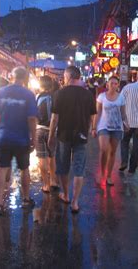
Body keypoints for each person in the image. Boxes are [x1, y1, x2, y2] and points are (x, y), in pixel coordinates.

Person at [48, 66, 96, 214]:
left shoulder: (60, 93)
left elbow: (55, 118)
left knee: (63, 166)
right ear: (79, 77)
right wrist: (91, 128)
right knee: (79, 169)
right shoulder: (88, 94)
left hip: (64, 135)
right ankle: (75, 202)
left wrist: (51, 136)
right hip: (81, 135)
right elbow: (93, 114)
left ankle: (67, 195)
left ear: (68, 76)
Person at [0, 67, 38, 215]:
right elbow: (31, 118)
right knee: (24, 169)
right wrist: (34, 138)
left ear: (12, 76)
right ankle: (25, 199)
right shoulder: (29, 95)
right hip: (21, 139)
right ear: (25, 79)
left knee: (2, 168)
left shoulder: (1, 92)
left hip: (3, 136)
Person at [92, 76, 129, 186]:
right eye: (111, 83)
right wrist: (94, 127)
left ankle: (108, 176)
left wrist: (126, 123)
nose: (113, 85)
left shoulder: (121, 98)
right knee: (104, 149)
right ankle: (102, 173)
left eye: (115, 84)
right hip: (104, 126)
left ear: (118, 85)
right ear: (107, 84)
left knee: (112, 152)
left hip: (117, 127)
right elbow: (97, 112)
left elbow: (123, 113)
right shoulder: (101, 96)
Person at [35, 75, 59, 193]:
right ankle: (53, 180)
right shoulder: (56, 97)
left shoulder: (37, 97)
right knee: (52, 156)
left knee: (42, 158)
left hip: (39, 129)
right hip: (53, 130)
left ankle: (46, 184)